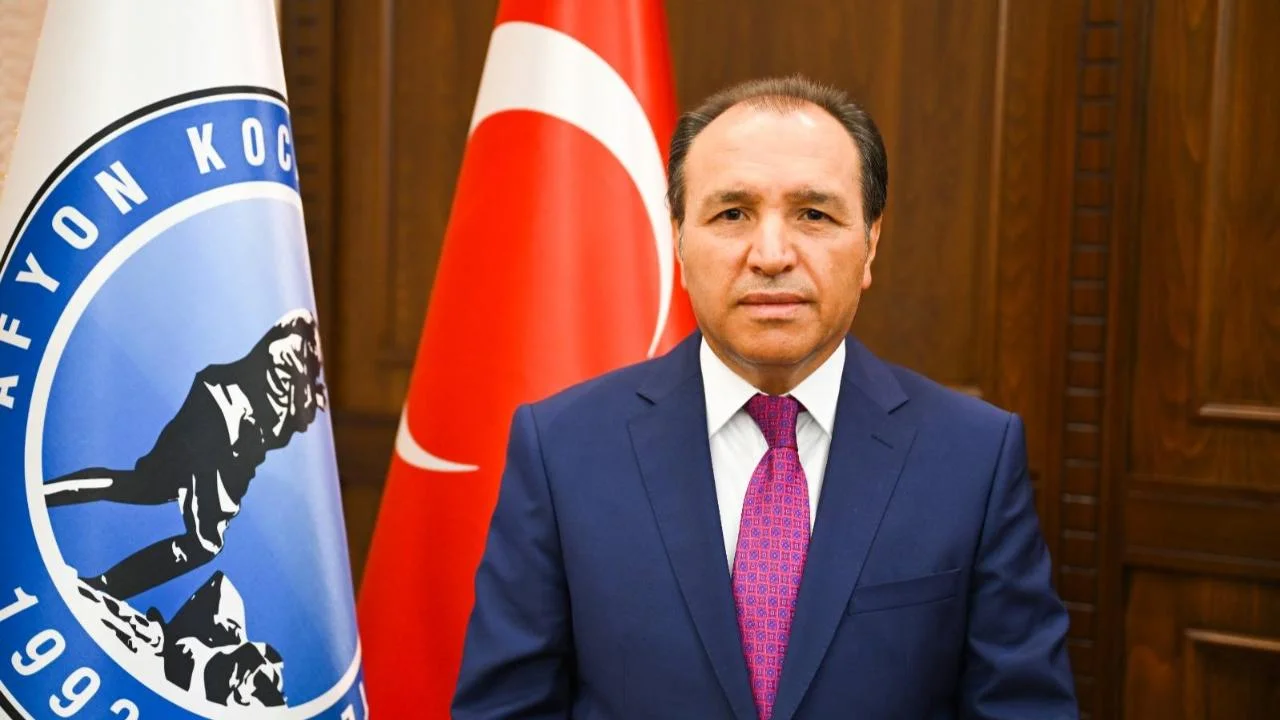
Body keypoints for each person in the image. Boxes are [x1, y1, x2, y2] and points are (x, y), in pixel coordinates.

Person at [452, 76, 1077, 719]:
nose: (772, 255)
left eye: (814, 215)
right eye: (732, 214)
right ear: (679, 240)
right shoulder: (562, 449)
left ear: (870, 242)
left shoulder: (974, 457)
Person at [44, 309, 328, 600]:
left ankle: (39, 497)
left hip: (215, 409)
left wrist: (307, 398)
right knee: (205, 542)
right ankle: (106, 586)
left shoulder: (299, 352)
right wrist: (309, 398)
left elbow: (282, 422)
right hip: (223, 423)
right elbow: (280, 409)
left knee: (143, 485)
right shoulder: (295, 337)